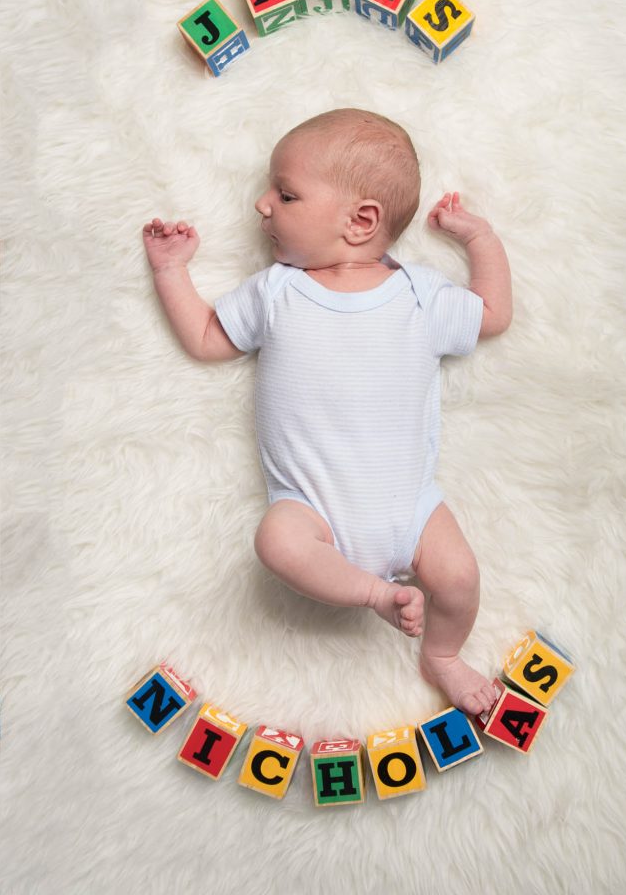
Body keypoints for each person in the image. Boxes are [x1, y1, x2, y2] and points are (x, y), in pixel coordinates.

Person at [142, 108, 512, 715]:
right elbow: (208, 338)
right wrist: (170, 272)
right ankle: (373, 594)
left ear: (361, 221)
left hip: (410, 508)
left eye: (285, 194)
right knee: (276, 541)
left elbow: (493, 314)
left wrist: (480, 239)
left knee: (460, 578)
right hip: (309, 507)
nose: (263, 205)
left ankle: (443, 655)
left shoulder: (421, 295)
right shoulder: (276, 290)